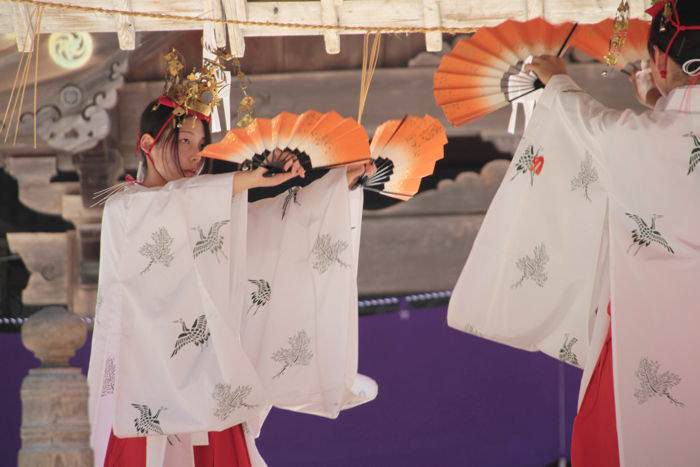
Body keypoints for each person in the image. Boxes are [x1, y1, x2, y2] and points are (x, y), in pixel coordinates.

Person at [87, 49, 377, 467]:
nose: (193, 155)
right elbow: (177, 206)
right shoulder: (126, 210)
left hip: (209, 375)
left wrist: (331, 186)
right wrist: (248, 179)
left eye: (201, 145)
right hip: (144, 387)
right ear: (147, 143)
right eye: (183, 140)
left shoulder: (208, 207)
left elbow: (262, 229)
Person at [447, 1, 700, 465]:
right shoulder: (638, 136)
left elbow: (576, 117)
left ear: (661, 61)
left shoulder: (630, 139)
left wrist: (555, 76)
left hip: (641, 346)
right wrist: (656, 103)